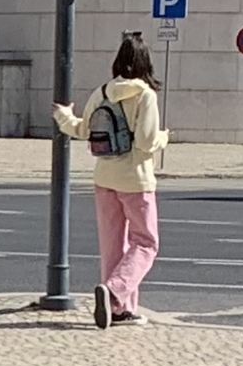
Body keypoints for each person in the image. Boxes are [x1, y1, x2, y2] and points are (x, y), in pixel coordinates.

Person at [53, 35, 169, 329]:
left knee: (112, 245)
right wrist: (164, 138)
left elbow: (83, 130)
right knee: (145, 243)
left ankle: (119, 311)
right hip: (136, 180)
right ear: (146, 63)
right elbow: (145, 142)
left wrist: (64, 116)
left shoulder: (102, 92)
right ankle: (115, 293)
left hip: (104, 178)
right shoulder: (145, 95)